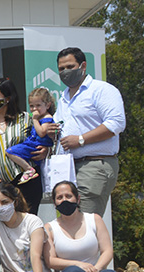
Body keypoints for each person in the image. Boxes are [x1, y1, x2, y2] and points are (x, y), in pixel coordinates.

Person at [54, 47, 126, 215]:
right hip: (69, 167)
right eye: (61, 69)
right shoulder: (64, 97)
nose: (65, 72)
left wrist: (80, 140)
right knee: (69, 222)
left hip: (94, 165)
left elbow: (116, 123)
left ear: (83, 66)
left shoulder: (101, 90)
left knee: (84, 223)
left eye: (70, 67)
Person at [0, 77, 44, 214]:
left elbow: (39, 139)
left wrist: (45, 150)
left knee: (26, 224)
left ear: (7, 98)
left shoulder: (25, 119)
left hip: (26, 182)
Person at [5, 87, 58, 183]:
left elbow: (42, 133)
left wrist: (35, 120)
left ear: (47, 105)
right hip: (32, 143)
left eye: (38, 105)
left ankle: (29, 169)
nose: (34, 109)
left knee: (10, 151)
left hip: (36, 146)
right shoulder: (37, 118)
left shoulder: (47, 117)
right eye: (32, 106)